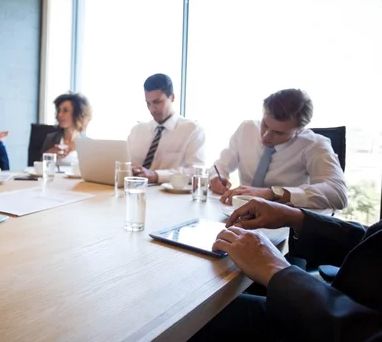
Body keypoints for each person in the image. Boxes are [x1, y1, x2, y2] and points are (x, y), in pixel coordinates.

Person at [190, 198, 382, 341]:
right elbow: (373, 245)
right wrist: (297, 218)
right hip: (333, 310)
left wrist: (278, 271)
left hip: (335, 326)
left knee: (198, 318)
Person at [210, 89, 348, 210]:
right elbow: (221, 165)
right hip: (238, 213)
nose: (266, 136)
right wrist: (217, 177)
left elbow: (338, 194)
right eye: (265, 124)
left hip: (284, 221)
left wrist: (274, 193)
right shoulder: (247, 129)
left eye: (279, 133)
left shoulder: (314, 145)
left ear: (299, 130)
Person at [127, 73, 206, 184]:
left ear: (172, 97)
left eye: (157, 102)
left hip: (170, 197)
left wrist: (156, 176)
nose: (152, 109)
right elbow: (125, 163)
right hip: (135, 191)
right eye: (148, 103)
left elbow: (196, 172)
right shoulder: (137, 131)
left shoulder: (193, 130)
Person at [40, 92, 92, 165]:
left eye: (65, 111)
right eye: (59, 111)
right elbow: (38, 166)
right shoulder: (51, 139)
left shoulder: (88, 144)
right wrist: (49, 154)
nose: (59, 115)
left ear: (78, 114)